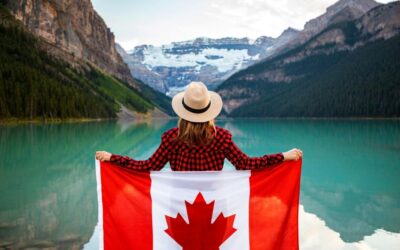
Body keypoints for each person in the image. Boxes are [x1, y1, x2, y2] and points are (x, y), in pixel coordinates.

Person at [95, 81, 302, 171]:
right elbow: (246, 164)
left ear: (183, 111)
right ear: (209, 112)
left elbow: (147, 167)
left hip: (179, 207)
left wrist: (113, 158)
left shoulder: (170, 138)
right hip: (214, 206)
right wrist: (284, 156)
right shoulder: (221, 137)